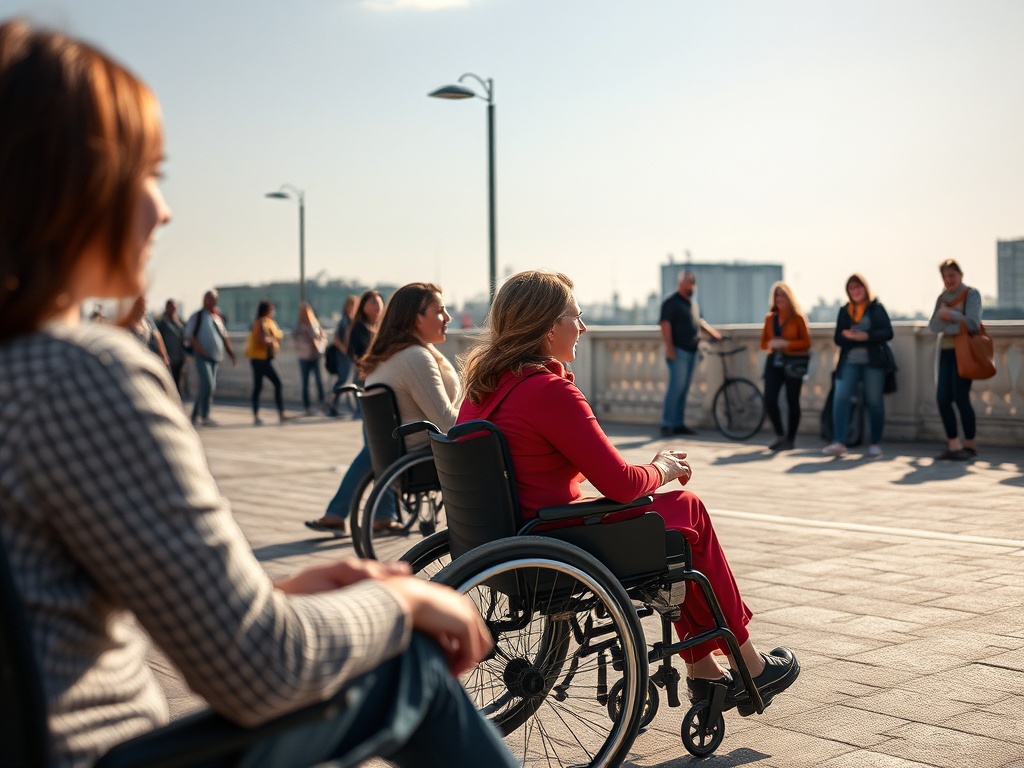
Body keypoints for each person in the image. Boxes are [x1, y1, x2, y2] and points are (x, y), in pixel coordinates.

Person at [0, 20, 515, 768]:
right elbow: (256, 672)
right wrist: (402, 601)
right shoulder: (78, 375)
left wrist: (275, 598)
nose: (164, 209)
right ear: (64, 189)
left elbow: (65, 614)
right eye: (145, 174)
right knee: (406, 668)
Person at [458, 270, 800, 716]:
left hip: (509, 540)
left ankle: (706, 669)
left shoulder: (482, 390)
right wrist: (662, 467)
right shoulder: (547, 391)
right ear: (547, 328)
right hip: (559, 538)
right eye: (575, 317)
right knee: (686, 510)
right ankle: (747, 664)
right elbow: (620, 485)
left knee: (675, 526)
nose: (582, 328)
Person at [306, 283, 458, 537]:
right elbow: (447, 423)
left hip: (400, 455)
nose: (448, 317)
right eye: (439, 311)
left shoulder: (389, 356)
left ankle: (348, 514)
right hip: (427, 457)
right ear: (416, 319)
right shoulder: (416, 358)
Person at [822, 274, 894, 458]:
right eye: (851, 289)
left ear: (865, 288)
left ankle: (875, 443)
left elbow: (888, 332)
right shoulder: (845, 310)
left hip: (873, 363)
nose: (855, 292)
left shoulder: (876, 308)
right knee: (841, 398)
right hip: (849, 362)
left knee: (874, 402)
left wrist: (866, 336)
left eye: (858, 288)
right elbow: (837, 338)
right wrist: (848, 335)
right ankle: (839, 441)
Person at [928, 259, 982, 460]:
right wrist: (954, 317)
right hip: (946, 352)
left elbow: (973, 323)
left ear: (960, 274)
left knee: (961, 397)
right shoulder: (942, 297)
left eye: (952, 275)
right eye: (945, 276)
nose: (948, 280)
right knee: (942, 398)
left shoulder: (971, 294)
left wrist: (949, 315)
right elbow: (933, 326)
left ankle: (970, 445)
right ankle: (953, 444)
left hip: (965, 352)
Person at [659, 270, 723, 437]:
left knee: (684, 389)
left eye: (694, 281)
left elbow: (700, 322)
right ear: (681, 283)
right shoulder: (671, 302)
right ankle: (667, 424)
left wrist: (714, 334)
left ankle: (678, 423)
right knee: (676, 388)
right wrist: (670, 349)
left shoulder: (693, 304)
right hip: (678, 352)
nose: (692, 284)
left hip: (692, 352)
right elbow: (665, 325)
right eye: (689, 281)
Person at [758, 282, 811, 451]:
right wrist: (772, 343)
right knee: (769, 399)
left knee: (792, 400)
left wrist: (787, 343)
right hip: (774, 362)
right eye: (776, 296)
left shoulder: (798, 318)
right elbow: (763, 343)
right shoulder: (770, 319)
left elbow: (806, 342)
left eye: (782, 295)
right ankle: (780, 435)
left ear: (789, 297)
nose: (779, 298)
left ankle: (791, 439)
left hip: (793, 363)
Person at [185, 288, 236, 426]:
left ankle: (199, 415)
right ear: (204, 300)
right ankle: (201, 415)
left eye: (214, 298)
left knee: (209, 387)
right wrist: (200, 350)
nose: (212, 301)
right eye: (209, 298)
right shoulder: (197, 316)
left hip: (215, 356)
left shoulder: (217, 317)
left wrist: (231, 354)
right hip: (202, 356)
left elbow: (224, 336)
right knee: (207, 384)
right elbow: (190, 336)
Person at [245, 299, 289, 425]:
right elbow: (262, 340)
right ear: (266, 310)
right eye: (271, 309)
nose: (273, 312)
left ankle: (270, 413)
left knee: (261, 386)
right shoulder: (259, 323)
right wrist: (274, 339)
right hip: (260, 359)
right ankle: (264, 414)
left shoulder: (269, 322)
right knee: (270, 384)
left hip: (267, 358)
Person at [328, 294, 359, 417]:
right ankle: (333, 406)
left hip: (350, 355)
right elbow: (336, 339)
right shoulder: (344, 321)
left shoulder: (353, 321)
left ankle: (353, 408)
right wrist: (345, 349)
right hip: (344, 355)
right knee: (343, 380)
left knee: (350, 381)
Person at [293, 301, 327, 415]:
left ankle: (322, 404)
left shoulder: (315, 324)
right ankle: (307, 406)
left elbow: (323, 337)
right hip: (304, 357)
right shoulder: (298, 326)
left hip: (315, 356)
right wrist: (307, 344)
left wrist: (318, 344)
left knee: (319, 381)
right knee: (305, 382)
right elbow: (295, 342)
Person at [118, 295, 170, 367]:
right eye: (140, 306)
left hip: (147, 359)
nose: (143, 309)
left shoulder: (147, 321)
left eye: (144, 306)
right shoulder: (126, 322)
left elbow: (158, 336)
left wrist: (164, 356)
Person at [348, 290, 384, 386]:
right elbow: (355, 354)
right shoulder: (359, 327)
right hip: (364, 376)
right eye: (374, 302)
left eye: (380, 303)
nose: (378, 306)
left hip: (379, 376)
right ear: (364, 306)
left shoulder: (381, 328)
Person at [156, 298, 187, 393]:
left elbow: (184, 336)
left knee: (177, 382)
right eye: (171, 307)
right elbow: (158, 338)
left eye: (174, 307)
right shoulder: (162, 322)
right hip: (168, 358)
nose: (173, 309)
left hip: (179, 357)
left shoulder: (179, 321)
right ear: (167, 307)